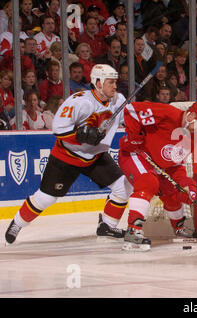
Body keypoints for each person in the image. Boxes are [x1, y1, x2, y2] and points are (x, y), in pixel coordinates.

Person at [4, 64, 133, 245]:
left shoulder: (118, 100)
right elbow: (59, 129)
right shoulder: (80, 101)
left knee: (124, 186)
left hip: (95, 157)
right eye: (110, 82)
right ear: (98, 83)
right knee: (46, 197)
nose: (115, 86)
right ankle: (17, 223)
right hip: (67, 156)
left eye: (115, 82)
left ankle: (107, 227)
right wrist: (82, 135)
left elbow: (131, 117)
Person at [117, 102, 197, 251]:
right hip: (135, 154)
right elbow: (131, 110)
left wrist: (186, 185)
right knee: (148, 182)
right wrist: (135, 136)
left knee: (174, 193)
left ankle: (178, 227)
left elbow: (175, 167)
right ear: (192, 116)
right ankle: (132, 231)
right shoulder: (168, 113)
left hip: (158, 166)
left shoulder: (191, 137)